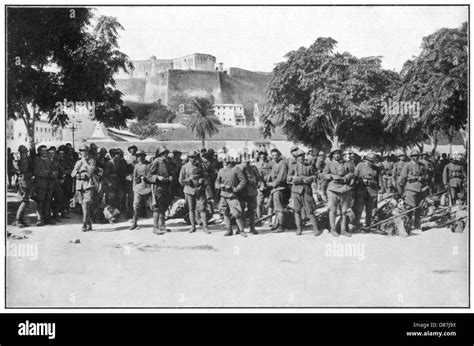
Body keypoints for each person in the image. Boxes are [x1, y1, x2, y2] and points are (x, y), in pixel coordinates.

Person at [287, 150, 321, 236]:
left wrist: (310, 178)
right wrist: (294, 178)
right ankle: (299, 228)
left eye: (302, 156)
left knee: (310, 210)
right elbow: (288, 178)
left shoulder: (309, 166)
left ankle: (315, 228)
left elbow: (315, 176)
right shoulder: (293, 166)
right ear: (296, 158)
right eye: (299, 156)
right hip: (296, 191)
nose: (301, 158)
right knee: (297, 210)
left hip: (306, 190)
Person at [322, 147, 355, 237]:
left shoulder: (348, 163)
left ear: (341, 154)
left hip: (345, 188)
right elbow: (323, 175)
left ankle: (343, 229)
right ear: (332, 155)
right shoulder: (329, 164)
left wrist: (348, 176)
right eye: (335, 153)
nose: (337, 155)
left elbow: (353, 173)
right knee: (332, 210)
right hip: (333, 189)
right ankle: (333, 229)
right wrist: (331, 176)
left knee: (344, 211)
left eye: (338, 153)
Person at [179, 149, 210, 234]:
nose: (193, 159)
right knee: (191, 209)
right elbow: (180, 180)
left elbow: (207, 177)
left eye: (195, 157)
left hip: (200, 189)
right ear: (188, 158)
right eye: (191, 157)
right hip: (189, 190)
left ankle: (205, 227)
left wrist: (202, 180)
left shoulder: (202, 166)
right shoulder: (185, 167)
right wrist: (187, 181)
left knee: (202, 209)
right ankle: (193, 227)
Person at [215, 155, 248, 237]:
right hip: (223, 195)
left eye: (227, 161)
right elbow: (217, 182)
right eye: (224, 161)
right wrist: (220, 186)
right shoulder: (221, 171)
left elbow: (243, 181)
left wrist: (236, 189)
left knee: (237, 213)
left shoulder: (236, 169)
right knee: (225, 212)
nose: (225, 162)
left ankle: (241, 230)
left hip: (233, 195)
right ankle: (228, 230)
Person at [399, 149, 428, 232]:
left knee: (419, 207)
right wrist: (402, 190)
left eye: (417, 156)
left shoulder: (422, 165)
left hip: (420, 188)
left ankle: (416, 225)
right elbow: (403, 178)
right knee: (410, 208)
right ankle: (407, 225)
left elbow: (426, 176)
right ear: (411, 157)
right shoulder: (407, 165)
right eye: (414, 156)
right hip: (410, 188)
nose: (416, 157)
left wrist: (423, 178)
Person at [147, 147, 173, 234]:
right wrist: (157, 177)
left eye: (166, 153)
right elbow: (149, 175)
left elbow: (170, 173)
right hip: (158, 187)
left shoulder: (167, 162)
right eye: (163, 153)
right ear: (160, 154)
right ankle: (155, 228)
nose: (165, 155)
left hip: (166, 187)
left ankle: (162, 226)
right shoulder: (156, 162)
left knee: (164, 207)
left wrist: (170, 177)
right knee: (157, 208)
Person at [71, 145, 97, 232]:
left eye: (85, 151)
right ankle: (89, 224)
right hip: (79, 186)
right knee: (84, 206)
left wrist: (85, 162)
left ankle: (84, 223)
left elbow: (91, 172)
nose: (83, 152)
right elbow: (72, 174)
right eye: (82, 151)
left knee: (86, 204)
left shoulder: (91, 161)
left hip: (89, 185)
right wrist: (77, 173)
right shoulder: (78, 162)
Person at [353, 152, 381, 231]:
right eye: (369, 161)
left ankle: (367, 225)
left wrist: (375, 185)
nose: (370, 163)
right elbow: (354, 177)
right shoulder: (360, 165)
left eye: (372, 161)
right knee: (359, 208)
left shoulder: (377, 168)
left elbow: (379, 181)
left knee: (370, 209)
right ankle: (356, 224)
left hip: (372, 191)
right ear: (366, 159)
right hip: (361, 190)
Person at [129, 151, 152, 230]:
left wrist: (146, 179)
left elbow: (151, 176)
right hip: (138, 188)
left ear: (144, 156)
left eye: (141, 156)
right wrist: (134, 188)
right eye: (138, 156)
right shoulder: (136, 166)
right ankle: (134, 223)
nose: (140, 158)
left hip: (148, 187)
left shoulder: (148, 165)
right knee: (136, 206)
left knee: (153, 206)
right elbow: (134, 178)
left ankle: (158, 223)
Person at [239, 152, 261, 235]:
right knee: (240, 210)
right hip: (241, 192)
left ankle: (252, 227)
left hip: (251, 192)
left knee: (252, 210)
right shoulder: (238, 168)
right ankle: (240, 228)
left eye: (248, 162)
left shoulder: (253, 168)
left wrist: (257, 183)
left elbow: (259, 178)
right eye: (245, 162)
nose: (246, 164)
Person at [268, 148, 289, 233]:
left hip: (280, 188)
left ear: (279, 155)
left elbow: (281, 178)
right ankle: (278, 224)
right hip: (275, 189)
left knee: (279, 208)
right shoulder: (274, 164)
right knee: (275, 208)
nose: (274, 157)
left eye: (276, 155)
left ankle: (281, 226)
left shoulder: (282, 164)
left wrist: (272, 184)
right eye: (272, 155)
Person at [12, 145, 33, 227]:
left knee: (25, 201)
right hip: (23, 183)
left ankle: (18, 219)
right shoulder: (17, 161)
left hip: (26, 182)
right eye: (24, 152)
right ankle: (18, 220)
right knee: (24, 201)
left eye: (25, 152)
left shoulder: (25, 160)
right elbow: (23, 170)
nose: (25, 154)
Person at [33, 145, 54, 226]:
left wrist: (49, 173)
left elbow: (53, 171)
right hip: (40, 184)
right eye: (42, 150)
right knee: (40, 202)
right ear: (39, 151)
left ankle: (46, 218)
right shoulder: (36, 160)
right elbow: (37, 172)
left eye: (45, 150)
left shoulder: (48, 160)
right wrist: (47, 173)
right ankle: (39, 219)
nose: (44, 152)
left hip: (49, 185)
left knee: (48, 202)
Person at [255, 150, 274, 222]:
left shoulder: (270, 163)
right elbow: (256, 175)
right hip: (261, 186)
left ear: (266, 155)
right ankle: (259, 219)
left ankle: (270, 219)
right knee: (259, 203)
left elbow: (273, 173)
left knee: (270, 203)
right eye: (261, 154)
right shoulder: (257, 164)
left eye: (264, 154)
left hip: (269, 185)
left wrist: (270, 182)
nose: (262, 156)